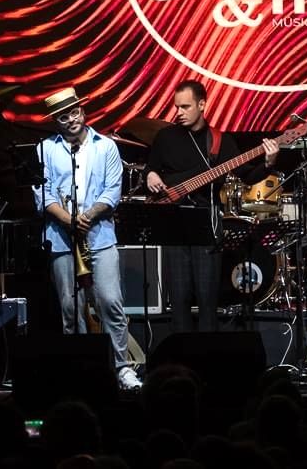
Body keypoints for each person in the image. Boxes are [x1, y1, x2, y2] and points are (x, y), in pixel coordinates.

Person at [145, 80, 279, 332]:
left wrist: (268, 162)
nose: (179, 112)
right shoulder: (165, 137)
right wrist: (150, 175)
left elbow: (248, 176)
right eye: (177, 107)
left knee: (208, 301)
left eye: (185, 107)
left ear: (202, 104)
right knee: (179, 301)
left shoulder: (220, 141)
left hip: (206, 224)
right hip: (173, 224)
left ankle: (209, 353)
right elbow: (151, 168)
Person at [34, 87, 142, 391]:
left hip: (100, 236)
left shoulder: (106, 146)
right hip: (61, 237)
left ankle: (122, 368)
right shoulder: (45, 149)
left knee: (110, 302)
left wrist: (87, 217)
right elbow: (42, 194)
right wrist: (68, 220)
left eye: (75, 112)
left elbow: (112, 192)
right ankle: (77, 368)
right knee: (70, 308)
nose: (71, 119)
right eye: (63, 116)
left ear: (83, 111)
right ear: (55, 120)